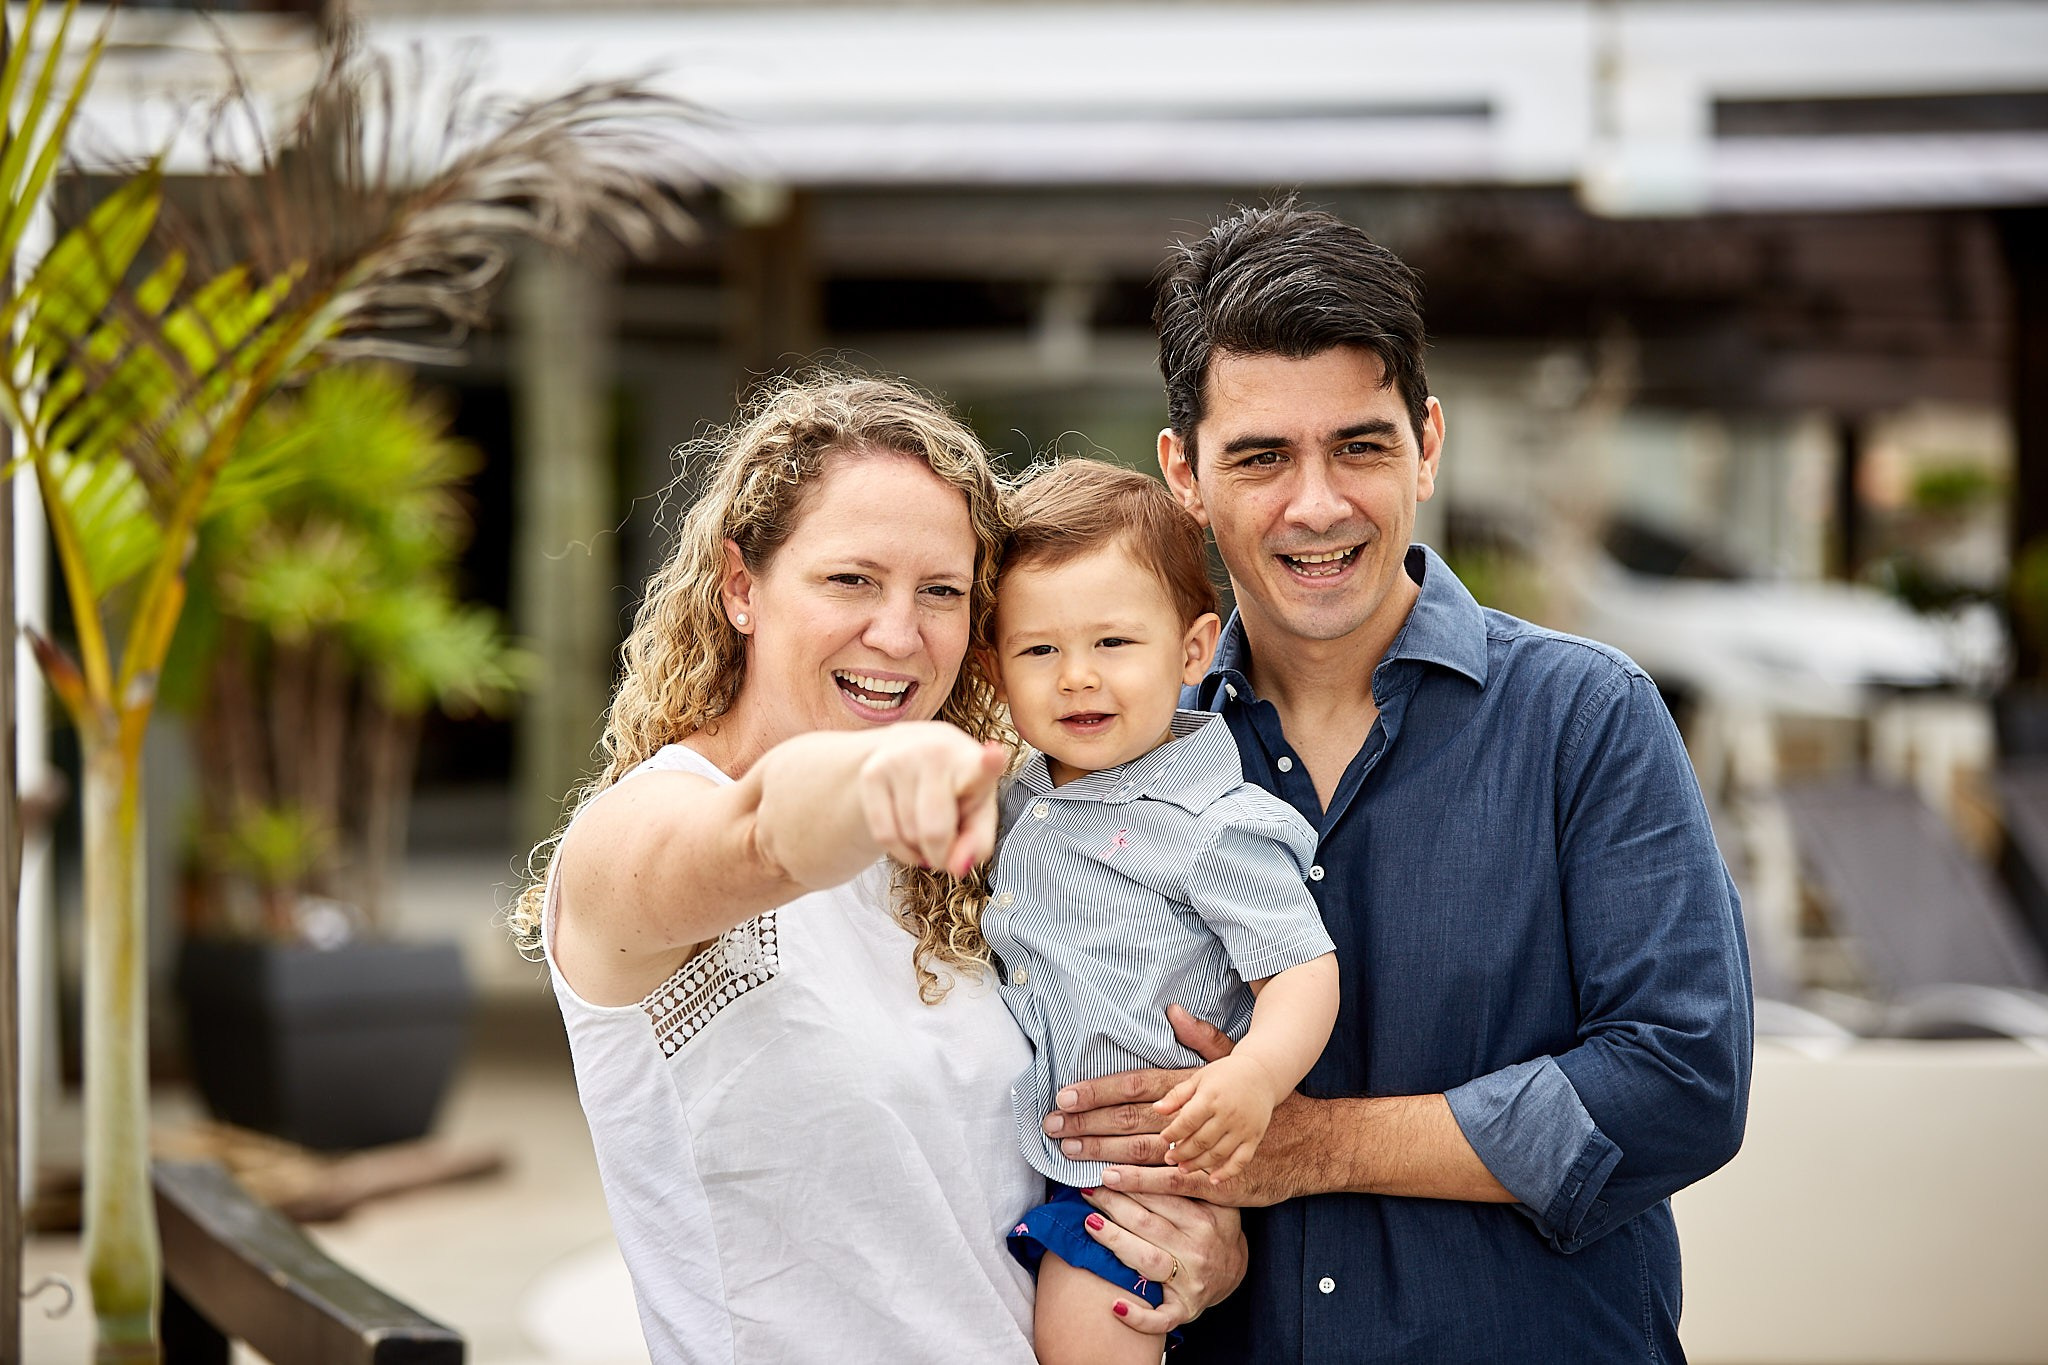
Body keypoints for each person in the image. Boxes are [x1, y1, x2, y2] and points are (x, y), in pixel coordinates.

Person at [1041, 202, 1755, 1361]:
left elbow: (1680, 1083)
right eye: (1260, 457)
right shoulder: (1107, 765)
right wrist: (1180, 1241)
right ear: (1183, 474)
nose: (1316, 504)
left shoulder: (1585, 718)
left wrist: (1311, 1145)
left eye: (1359, 447)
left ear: (1425, 443)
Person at [507, 374, 1245, 1364]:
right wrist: (877, 780)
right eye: (851, 580)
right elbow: (761, 835)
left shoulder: (994, 837)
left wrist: (1191, 1242)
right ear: (740, 588)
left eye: (940, 592)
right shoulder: (637, 834)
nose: (899, 635)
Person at [984, 460, 1340, 1365]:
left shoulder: (1212, 824)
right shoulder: (1013, 797)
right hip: (1030, 1161)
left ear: (1192, 650)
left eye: (1113, 642)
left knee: (1080, 1340)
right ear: (993, 663)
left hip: (1142, 1184)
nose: (1077, 678)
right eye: (1038, 650)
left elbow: (1302, 968)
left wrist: (1254, 1076)